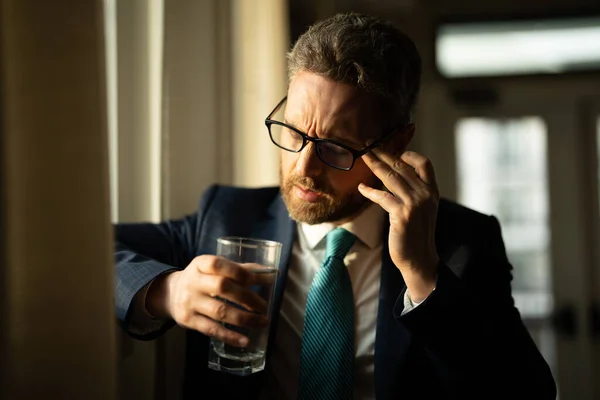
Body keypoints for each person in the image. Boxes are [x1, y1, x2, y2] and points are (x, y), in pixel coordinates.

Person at [114, 12, 557, 400]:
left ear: (398, 142)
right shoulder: (227, 215)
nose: (303, 166)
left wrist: (424, 276)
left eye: (336, 146)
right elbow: (90, 250)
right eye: (293, 132)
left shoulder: (463, 242)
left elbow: (525, 392)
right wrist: (166, 292)